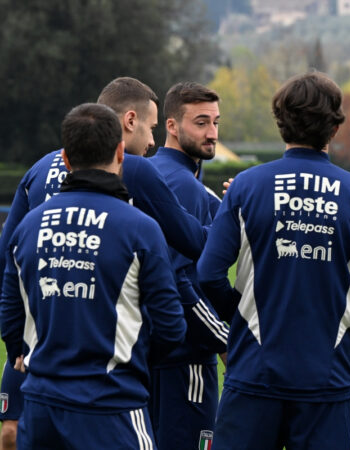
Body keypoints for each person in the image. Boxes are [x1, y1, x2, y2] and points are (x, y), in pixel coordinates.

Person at [197, 72, 350, 450]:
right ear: (336, 125)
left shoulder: (246, 185)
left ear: (280, 122)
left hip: (255, 371)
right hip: (325, 378)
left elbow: (208, 273)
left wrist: (240, 317)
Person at [0, 76, 209, 450]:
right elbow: (189, 255)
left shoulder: (36, 185)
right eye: (151, 128)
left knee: (11, 431)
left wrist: (19, 348)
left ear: (66, 158)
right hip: (110, 394)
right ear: (119, 148)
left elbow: (9, 265)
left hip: (42, 383)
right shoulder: (139, 190)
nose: (151, 144)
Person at [149, 82, 228, 450]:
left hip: (147, 354)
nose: (211, 133)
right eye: (200, 123)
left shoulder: (153, 173)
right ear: (172, 126)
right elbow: (178, 277)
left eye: (215, 122)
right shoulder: (182, 184)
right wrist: (223, 339)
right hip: (185, 356)